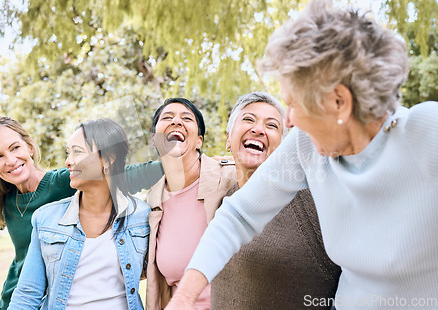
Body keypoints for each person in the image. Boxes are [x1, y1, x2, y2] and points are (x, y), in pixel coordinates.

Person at [166, 1, 438, 309]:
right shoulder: (306, 146)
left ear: (338, 102)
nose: (289, 120)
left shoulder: (427, 133)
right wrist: (185, 297)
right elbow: (237, 216)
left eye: (294, 104)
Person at [0, 116, 162, 310]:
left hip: (55, 298)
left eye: (15, 148)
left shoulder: (64, 182)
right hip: (16, 300)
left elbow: (125, 175)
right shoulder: (5, 198)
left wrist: (182, 165)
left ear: (30, 148)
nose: (11, 160)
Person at [211, 91, 341, 309]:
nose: (258, 129)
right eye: (248, 119)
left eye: (272, 126)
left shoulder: (309, 201)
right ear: (228, 138)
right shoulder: (224, 198)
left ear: (283, 148)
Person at [8, 119, 149, 309]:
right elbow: (27, 295)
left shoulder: (141, 215)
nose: (68, 161)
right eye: (68, 152)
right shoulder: (46, 219)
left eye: (78, 152)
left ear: (108, 158)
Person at [145, 98, 237, 310]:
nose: (176, 121)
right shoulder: (151, 204)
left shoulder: (231, 177)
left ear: (199, 141)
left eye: (186, 118)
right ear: (154, 140)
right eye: (167, 117)